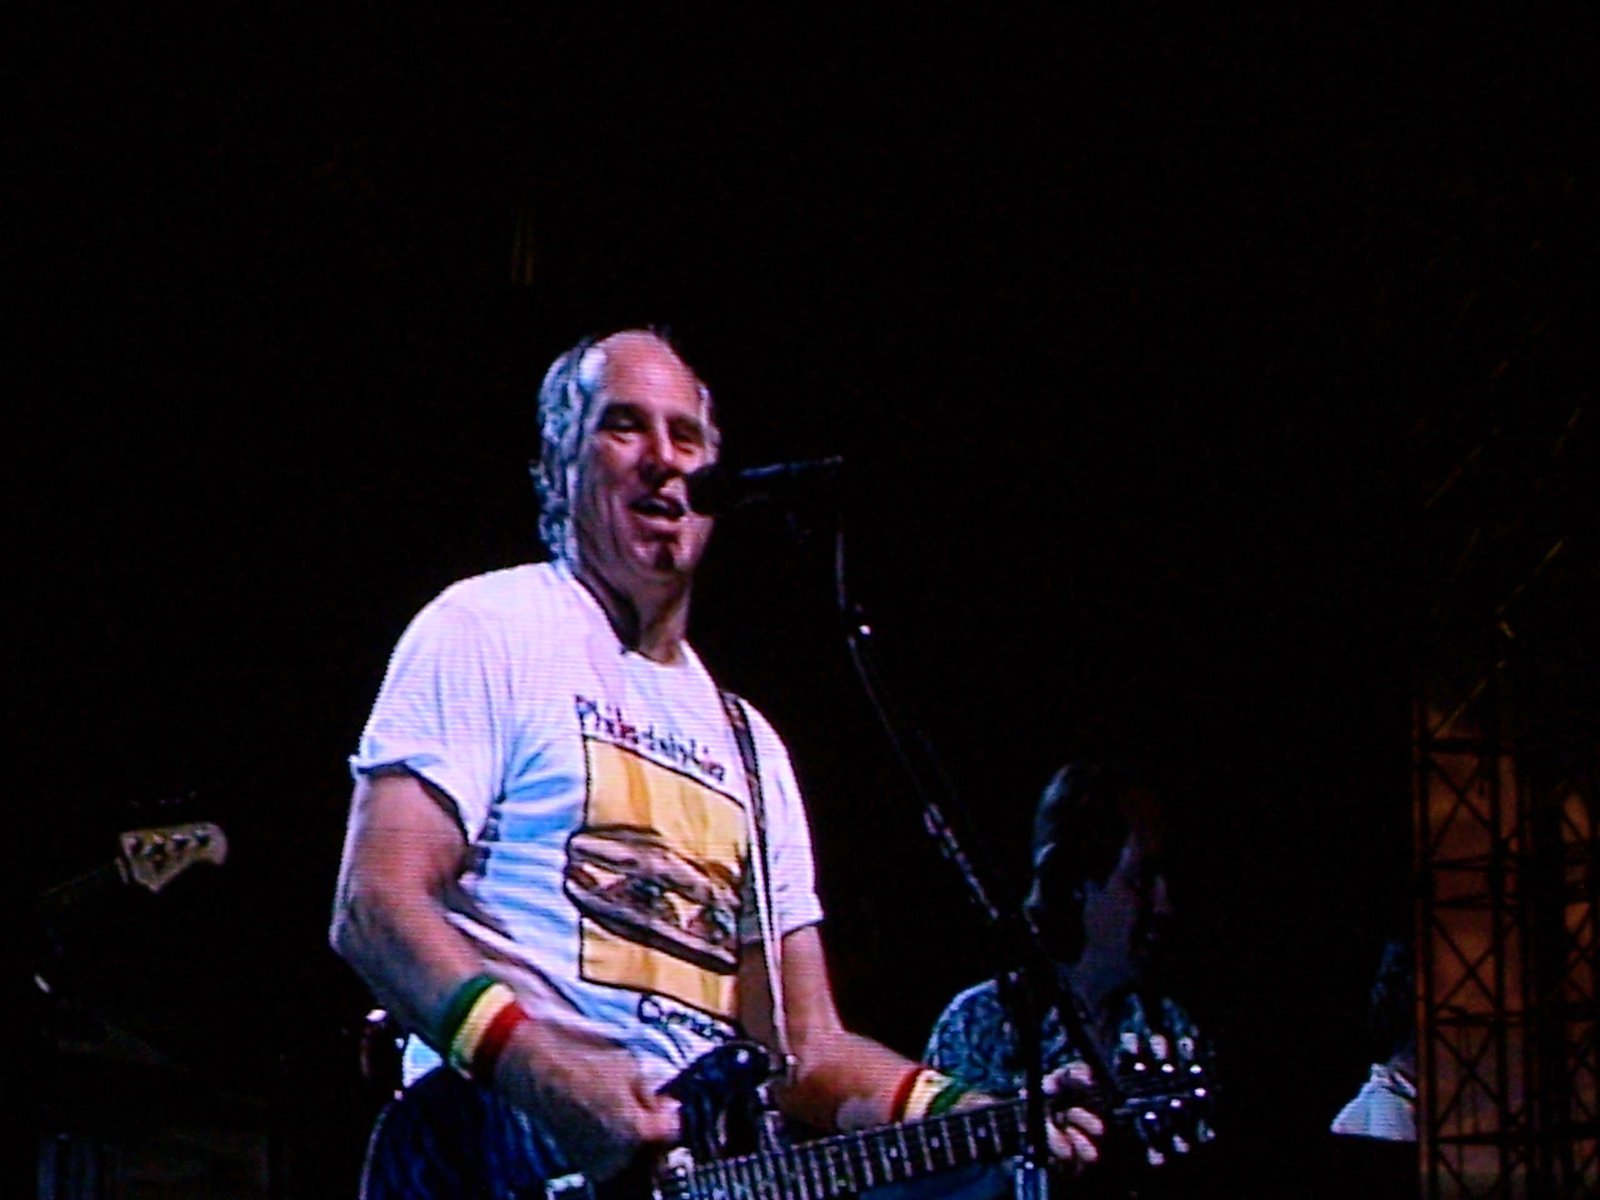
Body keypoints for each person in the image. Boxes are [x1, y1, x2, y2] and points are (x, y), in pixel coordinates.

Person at [329, 329, 1103, 1199]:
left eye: (685, 436)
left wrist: (981, 1115)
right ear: (557, 468)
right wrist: (553, 1080)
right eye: (624, 426)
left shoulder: (751, 745)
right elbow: (374, 905)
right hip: (502, 1159)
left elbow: (807, 1051)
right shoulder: (488, 628)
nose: (663, 459)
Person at [926, 762, 1215, 1183]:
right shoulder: (978, 1023)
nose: (1164, 905)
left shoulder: (1168, 1026)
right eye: (1140, 880)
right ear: (1073, 883)